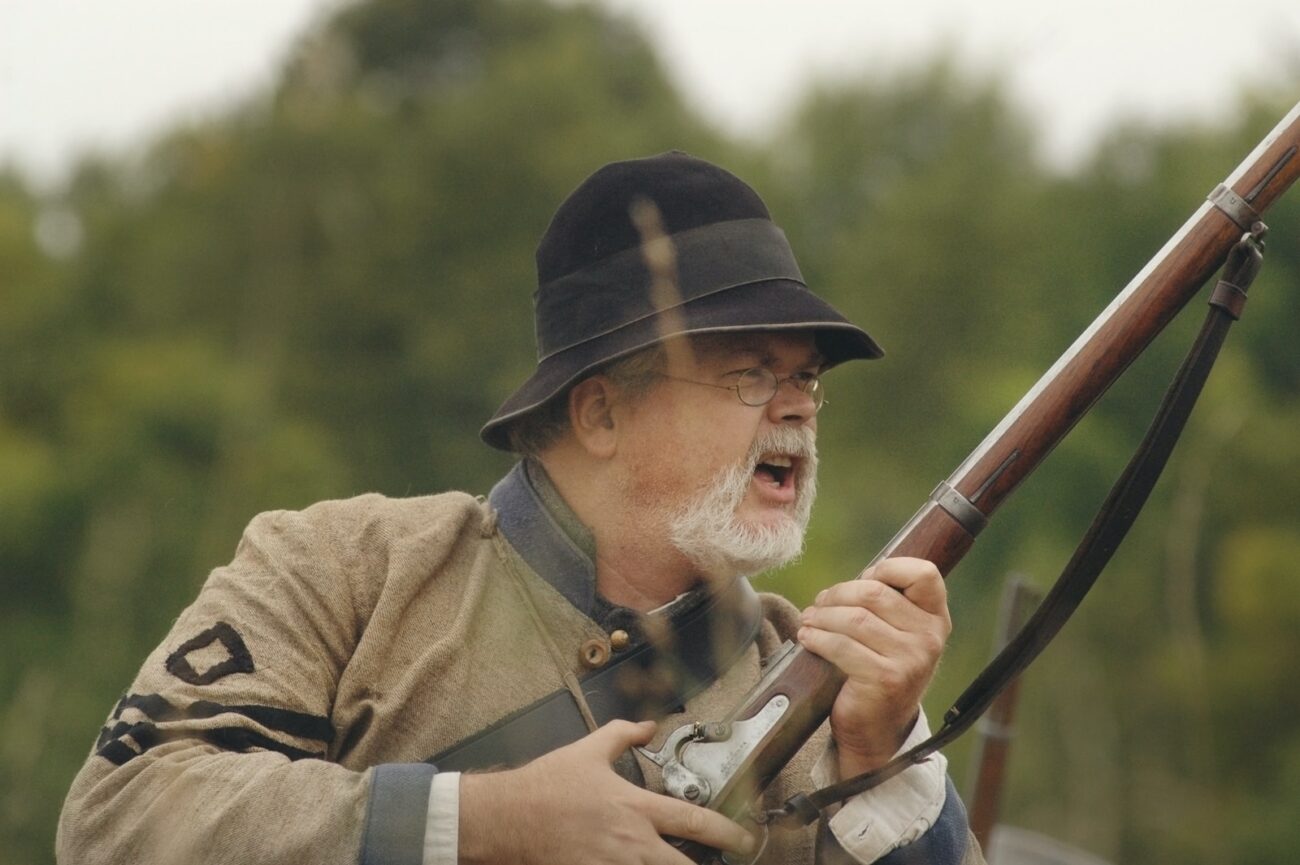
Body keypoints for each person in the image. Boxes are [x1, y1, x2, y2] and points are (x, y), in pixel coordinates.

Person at [57, 152, 983, 864]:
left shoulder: (825, 698)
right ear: (601, 411)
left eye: (806, 380)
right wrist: (485, 820)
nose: (793, 406)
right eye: (749, 373)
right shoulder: (341, 567)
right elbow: (122, 815)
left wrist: (881, 759)